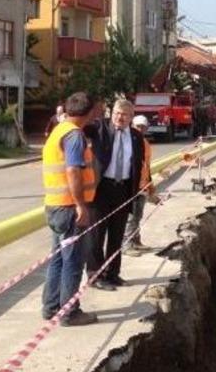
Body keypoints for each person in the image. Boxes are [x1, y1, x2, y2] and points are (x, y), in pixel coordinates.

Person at [40, 92, 98, 326]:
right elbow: (73, 170)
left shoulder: (59, 130)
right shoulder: (74, 136)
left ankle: (51, 307)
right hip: (68, 208)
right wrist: (80, 205)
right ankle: (69, 312)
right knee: (73, 261)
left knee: (58, 259)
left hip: (56, 206)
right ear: (89, 112)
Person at [84, 99, 146, 290]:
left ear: (131, 117)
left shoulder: (136, 137)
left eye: (125, 114)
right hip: (101, 189)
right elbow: (82, 127)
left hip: (123, 189)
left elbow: (138, 165)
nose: (120, 117)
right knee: (96, 235)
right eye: (117, 113)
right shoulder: (99, 128)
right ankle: (95, 276)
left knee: (117, 235)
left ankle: (113, 274)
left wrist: (140, 190)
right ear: (112, 113)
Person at [124, 115, 159, 257]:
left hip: (142, 185)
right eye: (138, 126)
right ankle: (127, 245)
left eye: (142, 127)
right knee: (131, 217)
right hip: (132, 186)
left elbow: (146, 166)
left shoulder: (144, 143)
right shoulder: (128, 141)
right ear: (132, 125)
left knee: (138, 216)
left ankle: (136, 241)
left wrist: (150, 186)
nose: (140, 129)